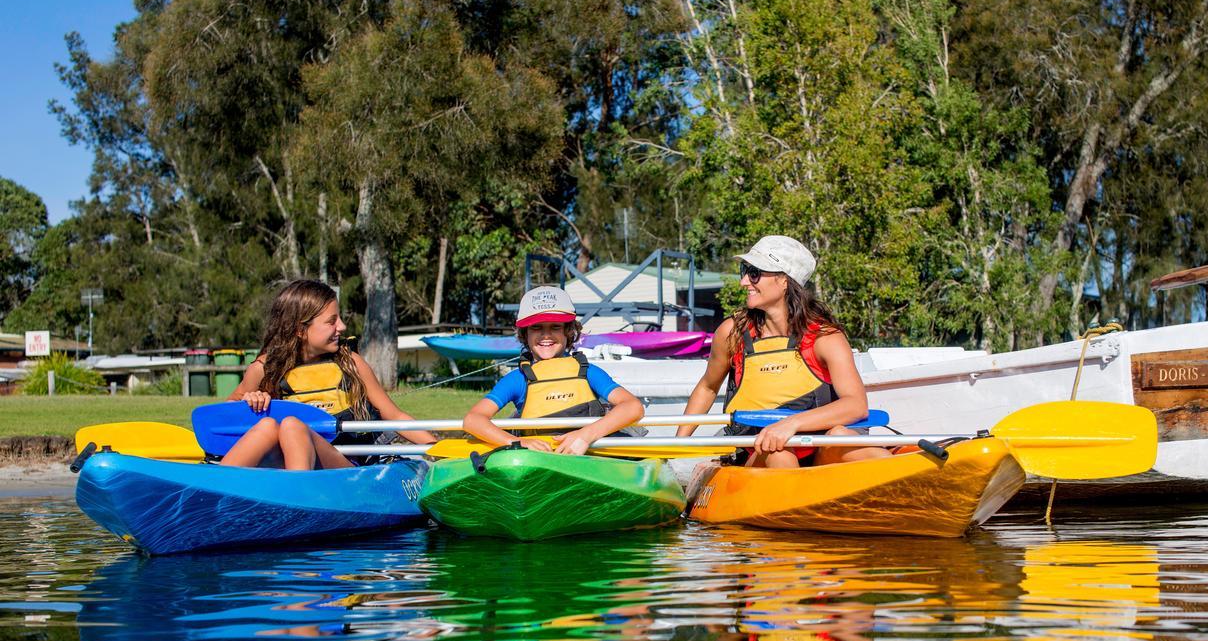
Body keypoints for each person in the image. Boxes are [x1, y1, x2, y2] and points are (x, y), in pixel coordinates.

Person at [676, 235, 889, 468]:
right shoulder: (732, 333)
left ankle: (906, 486)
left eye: (754, 273)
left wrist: (791, 424)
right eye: (744, 270)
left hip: (817, 452)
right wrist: (676, 449)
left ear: (784, 280)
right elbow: (708, 387)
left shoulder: (825, 338)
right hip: (758, 451)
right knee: (779, 453)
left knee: (841, 435)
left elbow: (855, 405)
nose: (744, 282)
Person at [221, 279, 436, 469]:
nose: (342, 326)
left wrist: (437, 449)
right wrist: (250, 402)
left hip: (342, 466)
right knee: (268, 425)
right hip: (284, 465)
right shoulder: (263, 370)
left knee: (292, 426)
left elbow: (395, 417)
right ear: (300, 330)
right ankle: (212, 490)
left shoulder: (351, 363)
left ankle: (299, 502)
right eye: (331, 321)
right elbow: (226, 414)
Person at [462, 286, 644, 454]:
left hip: (586, 454)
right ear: (525, 333)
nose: (546, 335)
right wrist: (516, 442)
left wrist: (585, 435)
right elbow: (473, 419)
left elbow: (633, 407)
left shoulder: (588, 372)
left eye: (555, 327)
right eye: (536, 327)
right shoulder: (517, 379)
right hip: (539, 460)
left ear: (568, 331)